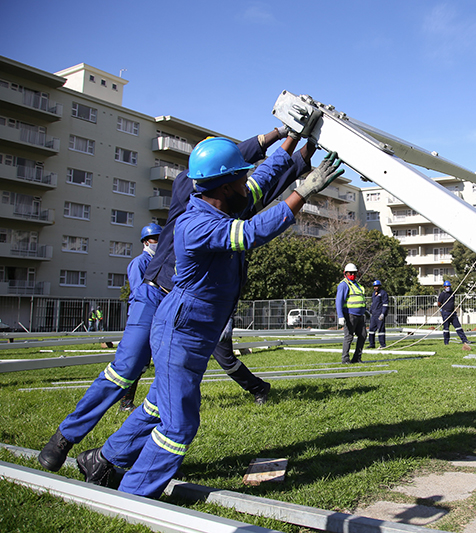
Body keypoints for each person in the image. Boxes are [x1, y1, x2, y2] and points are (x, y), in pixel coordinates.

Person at [73, 138, 344, 498]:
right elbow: (249, 234)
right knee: (179, 425)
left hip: (192, 333)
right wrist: (301, 192)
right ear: (226, 185)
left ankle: (104, 460)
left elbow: (261, 178)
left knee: (157, 405)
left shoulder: (220, 204)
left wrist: (296, 150)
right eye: (240, 179)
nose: (247, 184)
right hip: (181, 334)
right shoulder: (196, 223)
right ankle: (133, 496)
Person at [119, 223, 163, 412]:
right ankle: (126, 402)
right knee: (138, 361)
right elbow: (139, 292)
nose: (158, 243)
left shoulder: (160, 262)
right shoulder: (139, 262)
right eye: (155, 239)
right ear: (146, 242)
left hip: (158, 315)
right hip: (142, 316)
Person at [336, 263, 367, 364]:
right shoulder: (344, 285)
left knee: (363, 335)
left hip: (360, 315)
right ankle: (345, 359)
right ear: (345, 273)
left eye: (354, 273)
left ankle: (357, 358)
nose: (352, 275)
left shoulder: (357, 284)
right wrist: (340, 316)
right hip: (349, 315)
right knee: (349, 337)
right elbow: (339, 301)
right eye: (350, 273)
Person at [436, 280, 469, 345]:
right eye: (447, 286)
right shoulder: (442, 294)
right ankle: (446, 342)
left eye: (449, 286)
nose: (448, 287)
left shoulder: (452, 293)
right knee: (446, 329)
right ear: (444, 287)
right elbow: (439, 303)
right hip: (445, 313)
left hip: (453, 313)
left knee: (458, 327)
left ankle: (464, 340)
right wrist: (442, 308)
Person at [368, 280, 389, 349]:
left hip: (380, 314)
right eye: (374, 286)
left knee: (381, 330)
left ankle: (382, 344)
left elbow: (385, 304)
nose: (375, 287)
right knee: (371, 330)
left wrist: (383, 314)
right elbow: (373, 303)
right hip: (374, 314)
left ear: (379, 286)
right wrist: (370, 311)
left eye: (377, 286)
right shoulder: (374, 293)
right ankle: (372, 344)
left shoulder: (383, 293)